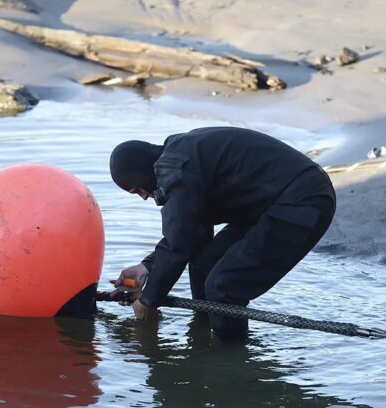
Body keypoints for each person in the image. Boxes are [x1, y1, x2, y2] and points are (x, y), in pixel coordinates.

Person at [109, 127, 336, 338]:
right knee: (205, 263)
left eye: (137, 189)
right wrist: (147, 266)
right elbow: (189, 231)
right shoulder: (180, 157)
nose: (144, 196)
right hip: (271, 204)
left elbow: (178, 243)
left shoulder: (174, 169)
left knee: (224, 286)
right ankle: (204, 335)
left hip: (304, 201)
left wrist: (148, 300)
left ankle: (228, 360)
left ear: (143, 171)